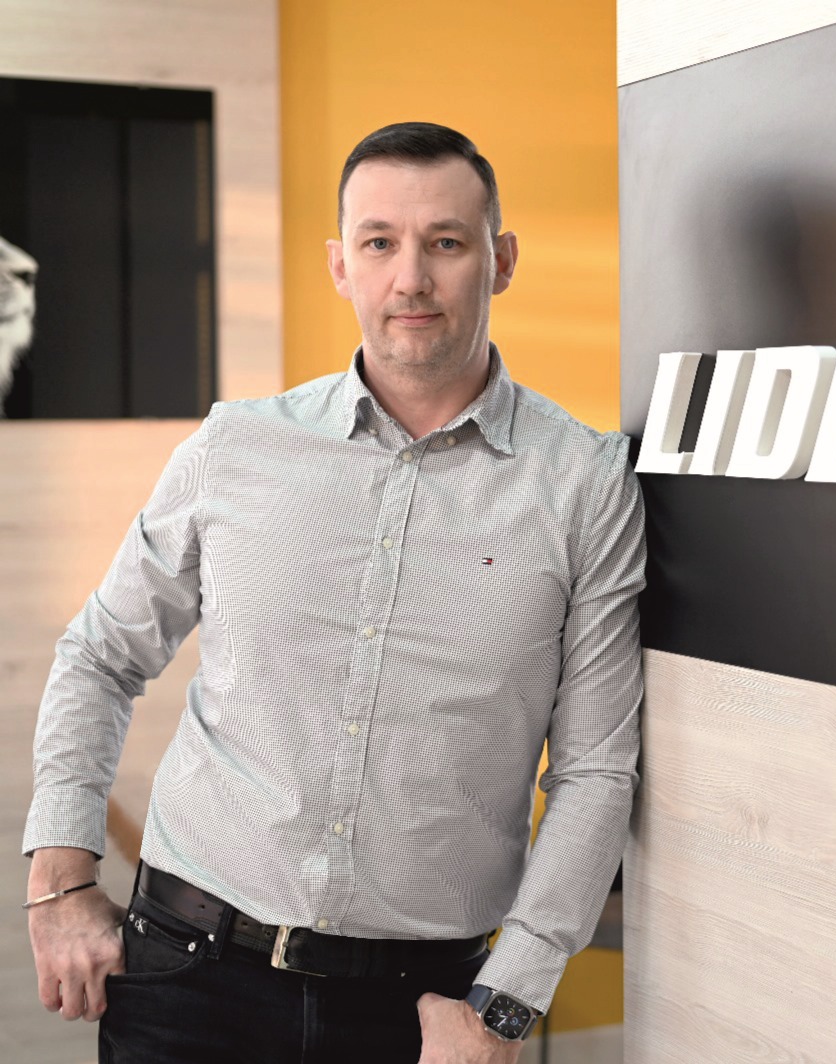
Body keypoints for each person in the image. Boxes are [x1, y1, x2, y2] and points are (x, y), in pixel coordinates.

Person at [23, 121, 645, 1063]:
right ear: (341, 265)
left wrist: (506, 1002)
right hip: (186, 980)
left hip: (417, 1012)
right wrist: (60, 879)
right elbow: (101, 656)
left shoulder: (585, 484)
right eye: (379, 242)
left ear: (502, 261)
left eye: (446, 242)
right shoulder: (236, 447)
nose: (411, 279)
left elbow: (595, 768)